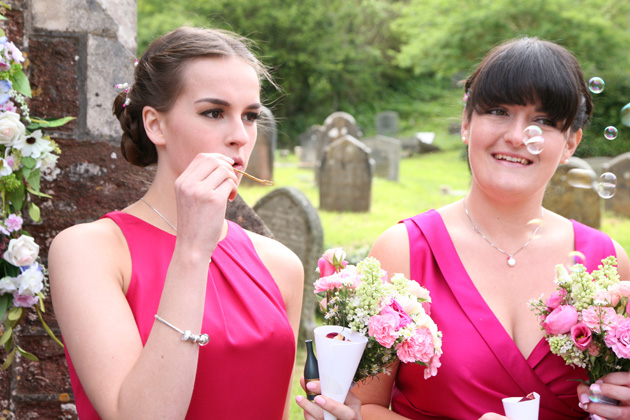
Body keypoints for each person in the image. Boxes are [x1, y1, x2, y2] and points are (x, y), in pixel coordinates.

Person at [297, 37, 630, 420]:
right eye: (499, 111)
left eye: (543, 121)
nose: (518, 137)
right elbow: (360, 407)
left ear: (571, 142)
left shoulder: (607, 264)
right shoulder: (404, 250)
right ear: (467, 124)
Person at [48, 26, 304, 420]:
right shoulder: (89, 252)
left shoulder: (281, 265)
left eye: (250, 116)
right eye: (214, 113)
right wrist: (192, 251)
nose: (239, 136)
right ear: (155, 124)